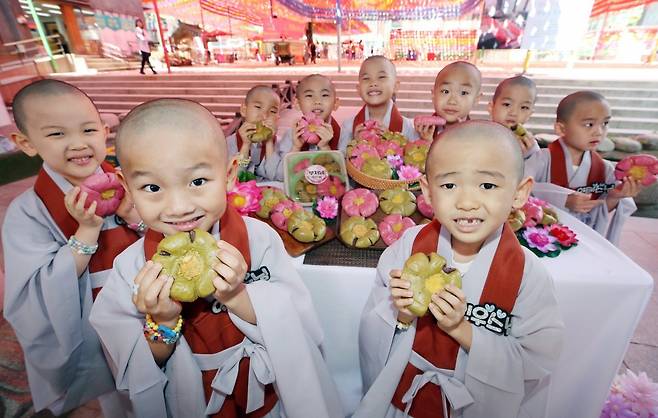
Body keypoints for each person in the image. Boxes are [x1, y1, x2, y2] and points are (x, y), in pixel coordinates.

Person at [89, 98, 343, 417]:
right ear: (127, 188)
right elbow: (131, 367)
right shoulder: (131, 268)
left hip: (265, 390)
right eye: (152, 187)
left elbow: (302, 321)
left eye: (197, 182)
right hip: (189, 397)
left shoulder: (259, 237)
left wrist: (238, 295)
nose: (179, 206)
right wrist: (164, 322)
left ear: (229, 173)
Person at [356, 121, 564, 418]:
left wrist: (459, 328)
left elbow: (536, 360)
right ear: (427, 192)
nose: (467, 203)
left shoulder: (528, 274)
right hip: (406, 396)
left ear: (519, 193)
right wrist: (401, 313)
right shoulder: (409, 247)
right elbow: (374, 324)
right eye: (449, 185)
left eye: (488, 185)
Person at [3, 79, 142, 416]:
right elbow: (36, 291)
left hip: (148, 302)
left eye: (88, 130)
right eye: (56, 134)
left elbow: (173, 236)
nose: (78, 145)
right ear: (25, 142)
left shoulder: (131, 181)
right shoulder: (27, 211)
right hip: (91, 321)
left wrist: (136, 218)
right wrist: (88, 230)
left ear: (105, 130)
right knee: (119, 400)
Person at [524, 91, 640, 245]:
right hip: (541, 237)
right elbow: (520, 190)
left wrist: (614, 197)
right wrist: (563, 199)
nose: (598, 131)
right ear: (561, 128)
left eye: (604, 123)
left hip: (582, 239)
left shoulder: (604, 168)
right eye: (589, 124)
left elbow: (600, 213)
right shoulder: (542, 159)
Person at [260, 74, 341, 181]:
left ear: (335, 103)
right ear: (297, 103)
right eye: (309, 96)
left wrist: (325, 147)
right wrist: (296, 148)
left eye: (324, 95)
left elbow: (343, 179)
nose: (317, 101)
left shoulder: (343, 133)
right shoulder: (291, 135)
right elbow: (279, 176)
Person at [339, 55, 418, 151]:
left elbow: (414, 162)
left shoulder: (408, 127)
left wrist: (392, 143)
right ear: (358, 89)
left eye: (381, 77)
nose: (373, 83)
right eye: (366, 78)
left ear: (395, 86)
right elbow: (340, 161)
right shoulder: (349, 126)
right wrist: (355, 144)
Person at [415, 61, 482, 142]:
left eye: (463, 93)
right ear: (433, 95)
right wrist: (426, 141)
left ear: (476, 99)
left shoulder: (477, 137)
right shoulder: (423, 130)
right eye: (445, 91)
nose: (452, 101)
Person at [225, 85, 281, 181]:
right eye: (258, 107)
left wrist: (269, 143)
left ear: (277, 118)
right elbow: (235, 177)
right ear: (244, 110)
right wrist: (245, 146)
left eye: (272, 111)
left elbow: (274, 176)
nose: (264, 116)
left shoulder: (280, 143)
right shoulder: (228, 143)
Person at [488, 75, 538, 157]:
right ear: (491, 107)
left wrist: (526, 155)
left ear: (530, 114)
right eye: (507, 104)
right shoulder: (479, 135)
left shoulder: (529, 145)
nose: (514, 113)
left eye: (524, 107)